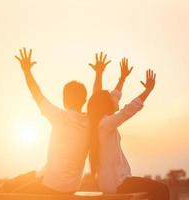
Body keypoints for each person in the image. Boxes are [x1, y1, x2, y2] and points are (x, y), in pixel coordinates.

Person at [8, 48, 112, 194]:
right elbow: (96, 97)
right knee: (27, 179)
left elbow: (36, 94)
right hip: (70, 188)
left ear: (64, 99)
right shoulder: (90, 121)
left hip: (49, 186)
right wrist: (99, 73)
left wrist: (26, 71)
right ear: (84, 100)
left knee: (9, 192)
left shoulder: (59, 117)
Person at [87, 59, 170, 200]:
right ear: (106, 105)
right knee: (162, 189)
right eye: (111, 100)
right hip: (117, 183)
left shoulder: (100, 122)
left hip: (112, 182)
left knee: (155, 190)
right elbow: (129, 110)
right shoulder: (105, 124)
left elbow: (115, 94)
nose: (115, 99)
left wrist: (123, 78)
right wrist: (148, 90)